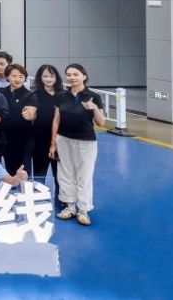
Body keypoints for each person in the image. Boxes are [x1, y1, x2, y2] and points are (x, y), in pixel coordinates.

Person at [50, 63, 103, 226]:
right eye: (69, 74)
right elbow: (56, 120)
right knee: (65, 174)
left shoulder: (93, 96)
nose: (72, 77)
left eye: (75, 74)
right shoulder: (61, 96)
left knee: (84, 175)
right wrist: (53, 143)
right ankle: (70, 207)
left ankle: (83, 210)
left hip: (86, 141)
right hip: (64, 139)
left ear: (84, 76)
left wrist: (94, 108)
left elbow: (101, 122)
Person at [29, 64, 62, 207]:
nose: (49, 79)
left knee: (60, 173)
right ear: (40, 78)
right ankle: (38, 199)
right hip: (40, 138)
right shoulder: (34, 95)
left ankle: (61, 200)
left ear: (57, 77)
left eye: (52, 76)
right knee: (39, 171)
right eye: (45, 76)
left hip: (60, 139)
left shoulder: (63, 95)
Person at [0, 63, 36, 175]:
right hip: (5, 137)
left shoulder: (30, 95)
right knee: (9, 169)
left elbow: (31, 114)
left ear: (25, 78)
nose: (17, 79)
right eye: (14, 76)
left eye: (21, 76)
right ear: (7, 77)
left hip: (24, 138)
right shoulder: (1, 92)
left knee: (23, 170)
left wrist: (29, 115)